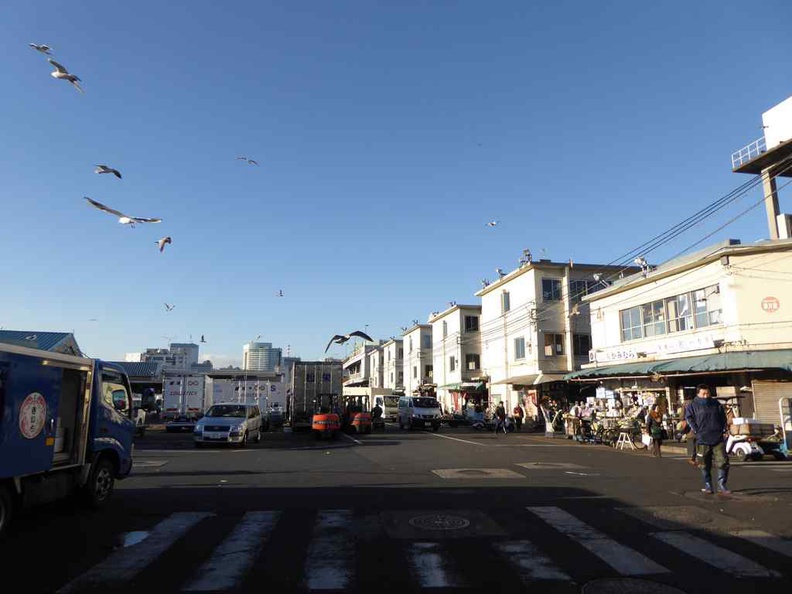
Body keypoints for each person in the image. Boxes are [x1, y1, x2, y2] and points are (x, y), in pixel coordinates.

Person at [685, 384, 730, 495]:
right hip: (702, 438)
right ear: (698, 394)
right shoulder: (693, 405)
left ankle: (721, 485)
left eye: (708, 393)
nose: (706, 396)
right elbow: (689, 417)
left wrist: (724, 430)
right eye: (703, 394)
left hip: (717, 437)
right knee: (704, 463)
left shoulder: (715, 404)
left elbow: (723, 417)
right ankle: (708, 485)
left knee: (723, 461)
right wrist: (696, 429)